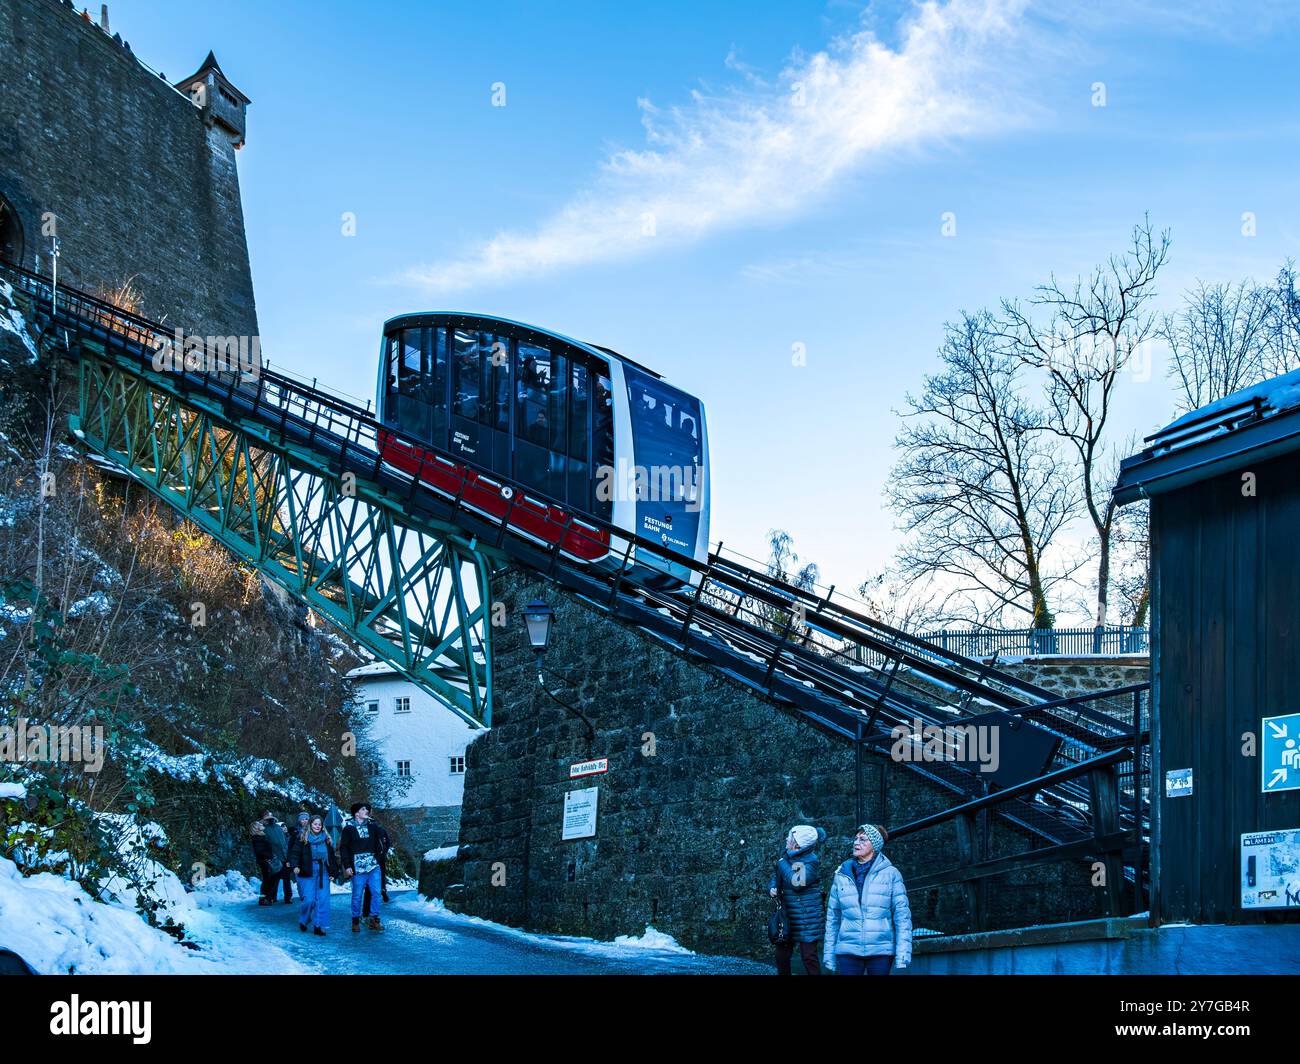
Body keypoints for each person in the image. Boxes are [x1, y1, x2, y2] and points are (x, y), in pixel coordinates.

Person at [823, 824, 912, 975]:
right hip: (848, 949)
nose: (856, 842)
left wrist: (903, 953)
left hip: (880, 950)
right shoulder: (841, 874)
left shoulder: (891, 874)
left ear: (875, 846)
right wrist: (829, 955)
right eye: (856, 838)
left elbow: (902, 917)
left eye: (863, 839)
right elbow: (833, 918)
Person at [768, 824, 827, 976]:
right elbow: (777, 876)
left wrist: (781, 863)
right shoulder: (787, 855)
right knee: (781, 956)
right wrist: (772, 887)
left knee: (808, 957)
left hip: (807, 915)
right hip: (788, 914)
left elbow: (797, 883)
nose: (787, 839)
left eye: (790, 837)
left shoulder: (810, 860)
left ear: (798, 843)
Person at [339, 802, 385, 932]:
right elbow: (344, 848)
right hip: (357, 867)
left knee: (376, 892)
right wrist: (347, 866)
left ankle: (373, 919)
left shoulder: (373, 827)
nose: (367, 811)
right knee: (357, 895)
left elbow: (381, 842)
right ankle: (355, 920)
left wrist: (379, 858)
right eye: (363, 809)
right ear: (356, 813)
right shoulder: (348, 828)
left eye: (367, 809)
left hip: (373, 865)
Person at [290, 814, 337, 937]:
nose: (317, 826)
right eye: (315, 824)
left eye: (319, 824)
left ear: (322, 826)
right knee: (309, 900)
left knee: (322, 900)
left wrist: (333, 872)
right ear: (311, 825)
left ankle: (318, 925)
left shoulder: (326, 839)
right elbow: (294, 853)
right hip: (307, 871)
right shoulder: (302, 838)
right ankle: (304, 919)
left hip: (323, 872)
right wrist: (295, 866)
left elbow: (332, 857)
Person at [361, 816, 392, 918]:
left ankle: (368, 913)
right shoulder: (380, 830)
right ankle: (382, 890)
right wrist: (383, 853)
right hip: (376, 860)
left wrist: (382, 853)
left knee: (370, 887)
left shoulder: (368, 831)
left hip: (374, 861)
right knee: (378, 880)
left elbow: (387, 843)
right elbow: (387, 843)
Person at [260, 811, 293, 904]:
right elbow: (265, 845)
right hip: (274, 858)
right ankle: (270, 897)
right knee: (274, 879)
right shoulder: (264, 830)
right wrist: (270, 857)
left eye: (271, 818)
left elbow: (284, 843)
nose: (270, 819)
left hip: (284, 857)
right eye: (267, 818)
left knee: (286, 878)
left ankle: (288, 897)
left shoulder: (279, 828)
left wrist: (287, 857)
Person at [249, 820, 277, 907]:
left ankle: (265, 898)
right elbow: (259, 851)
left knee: (268, 880)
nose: (261, 824)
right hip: (265, 861)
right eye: (259, 824)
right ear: (256, 828)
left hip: (265, 860)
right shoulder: (258, 838)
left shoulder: (261, 836)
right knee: (268, 880)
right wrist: (269, 856)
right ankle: (265, 898)